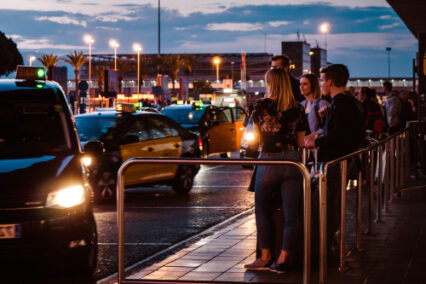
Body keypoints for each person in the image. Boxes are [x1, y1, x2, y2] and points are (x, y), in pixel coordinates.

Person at [244, 67, 307, 273]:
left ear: (270, 83)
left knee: (261, 208)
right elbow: (300, 141)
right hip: (292, 162)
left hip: (269, 161)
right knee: (292, 214)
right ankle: (283, 258)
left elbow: (256, 138)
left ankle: (265, 256)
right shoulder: (298, 108)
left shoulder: (261, 106)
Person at [304, 64, 365, 251]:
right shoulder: (346, 102)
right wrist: (324, 120)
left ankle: (328, 240)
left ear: (330, 81)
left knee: (331, 202)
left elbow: (341, 135)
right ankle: (329, 238)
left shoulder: (341, 103)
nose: (321, 84)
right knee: (333, 200)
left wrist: (317, 143)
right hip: (340, 160)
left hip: (336, 161)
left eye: (322, 80)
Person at [299, 73, 329, 138]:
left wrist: (309, 137)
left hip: (316, 143)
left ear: (313, 85)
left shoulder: (322, 103)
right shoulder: (301, 104)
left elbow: (326, 128)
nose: (301, 86)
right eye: (300, 84)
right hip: (303, 144)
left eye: (305, 84)